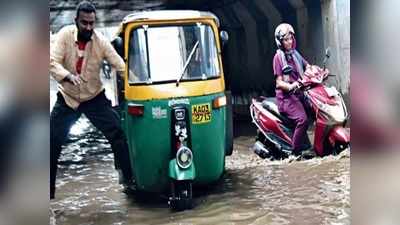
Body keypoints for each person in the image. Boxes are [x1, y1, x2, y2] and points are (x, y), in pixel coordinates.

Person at [50, 1, 133, 199]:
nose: (88, 27)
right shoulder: (63, 35)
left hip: (94, 98)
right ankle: (47, 194)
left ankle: (130, 182)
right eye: (84, 23)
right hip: (68, 98)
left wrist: (137, 84)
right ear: (76, 21)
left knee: (118, 135)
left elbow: (120, 66)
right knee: (50, 143)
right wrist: (68, 76)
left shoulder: (100, 41)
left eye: (91, 23)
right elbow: (51, 61)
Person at [272, 23, 314, 157]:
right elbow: (279, 82)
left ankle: (309, 144)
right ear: (280, 42)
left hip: (299, 93)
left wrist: (316, 71)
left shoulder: (295, 54)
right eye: (286, 39)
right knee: (302, 120)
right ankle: (295, 153)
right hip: (286, 97)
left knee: (315, 110)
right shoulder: (278, 58)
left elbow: (307, 66)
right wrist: (290, 86)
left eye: (291, 38)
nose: (289, 42)